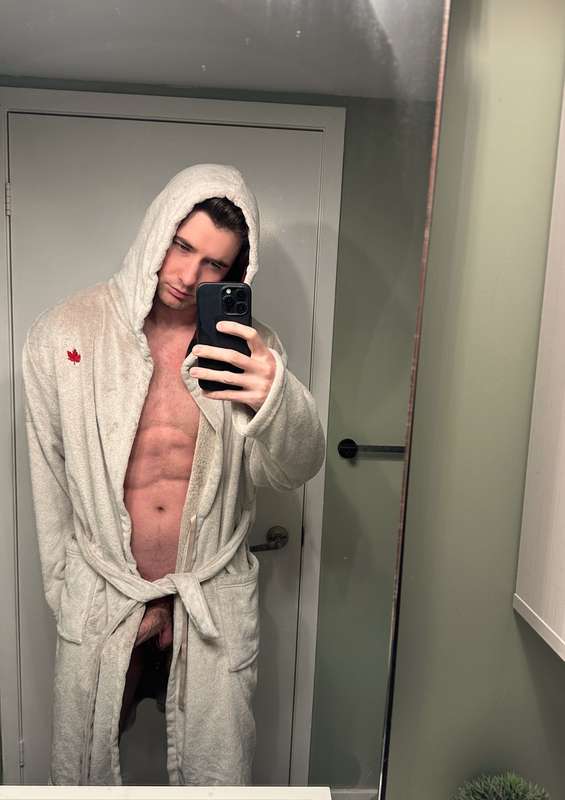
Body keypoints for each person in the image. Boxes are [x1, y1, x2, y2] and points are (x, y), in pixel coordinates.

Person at [21, 163, 325, 786]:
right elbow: (49, 479)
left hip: (207, 600)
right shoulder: (66, 332)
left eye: (214, 264)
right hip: (105, 600)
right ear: (157, 231)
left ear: (236, 272)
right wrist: (66, 597)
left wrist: (275, 397)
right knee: (82, 777)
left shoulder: (249, 350)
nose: (188, 276)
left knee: (217, 777)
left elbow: (295, 468)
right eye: (181, 246)